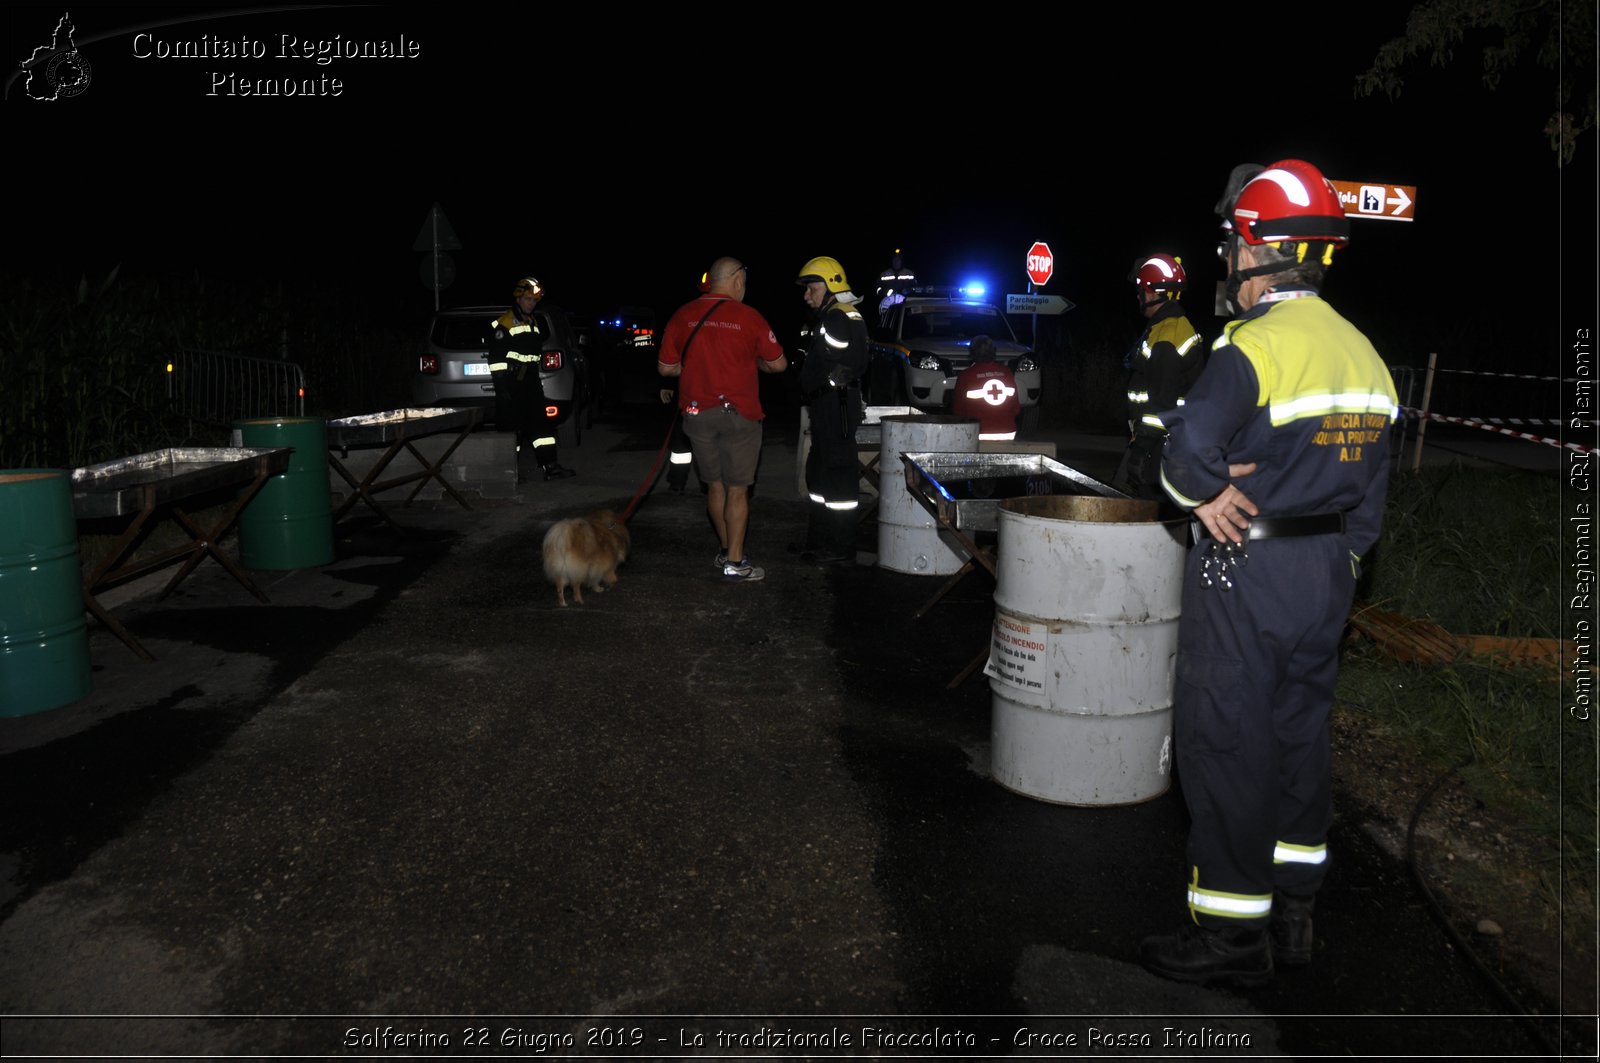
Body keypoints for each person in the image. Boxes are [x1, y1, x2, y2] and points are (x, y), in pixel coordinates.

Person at [1138, 159, 1399, 987]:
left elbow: (1183, 454)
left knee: (1227, 740)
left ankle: (1229, 933)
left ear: (1260, 251)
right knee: (1297, 735)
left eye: (1233, 245)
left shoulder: (1252, 350)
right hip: (1325, 574)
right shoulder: (1366, 354)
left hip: (1246, 569)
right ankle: (1295, 911)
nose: (1228, 262)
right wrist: (1343, 562)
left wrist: (1205, 495)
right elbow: (1372, 502)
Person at [657, 257, 788, 582]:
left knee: (714, 485)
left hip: (697, 414)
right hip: (739, 416)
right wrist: (752, 362)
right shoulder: (749, 317)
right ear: (737, 281)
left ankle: (726, 549)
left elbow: (666, 368)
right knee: (738, 489)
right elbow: (779, 364)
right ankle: (736, 562)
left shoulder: (682, 315)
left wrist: (690, 368)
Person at [795, 256, 871, 565]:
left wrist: (825, 385)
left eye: (811, 288)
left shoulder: (841, 317)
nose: (806, 295)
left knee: (838, 479)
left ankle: (841, 548)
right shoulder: (834, 316)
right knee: (819, 474)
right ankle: (819, 541)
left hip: (834, 408)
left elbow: (853, 363)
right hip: (827, 407)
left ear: (830, 287)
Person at [1113, 254, 1204, 500]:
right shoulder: (1167, 327)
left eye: (1140, 290)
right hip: (1158, 440)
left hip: (1160, 445)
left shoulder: (1167, 336)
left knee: (1134, 511)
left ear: (1153, 293)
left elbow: (1163, 400)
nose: (1137, 296)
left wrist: (1143, 447)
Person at [487, 276, 575, 482]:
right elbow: (496, 359)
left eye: (534, 300)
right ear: (518, 298)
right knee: (511, 430)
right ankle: (507, 473)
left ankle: (550, 467)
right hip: (511, 383)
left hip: (531, 382)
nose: (531, 303)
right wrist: (502, 388)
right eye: (528, 299)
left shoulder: (532, 321)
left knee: (541, 426)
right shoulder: (504, 324)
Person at [951, 335, 1021, 440]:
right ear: (994, 351)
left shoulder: (965, 375)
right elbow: (1016, 409)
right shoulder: (1007, 372)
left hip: (978, 434)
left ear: (971, 352)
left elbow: (958, 410)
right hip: (1008, 432)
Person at [875, 248, 916, 323]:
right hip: (888, 305)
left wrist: (907, 291)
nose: (896, 262)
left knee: (906, 322)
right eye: (894, 260)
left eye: (898, 260)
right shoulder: (884, 274)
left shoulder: (909, 273)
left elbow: (915, 288)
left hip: (905, 304)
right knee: (887, 322)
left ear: (901, 261)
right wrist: (887, 292)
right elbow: (877, 290)